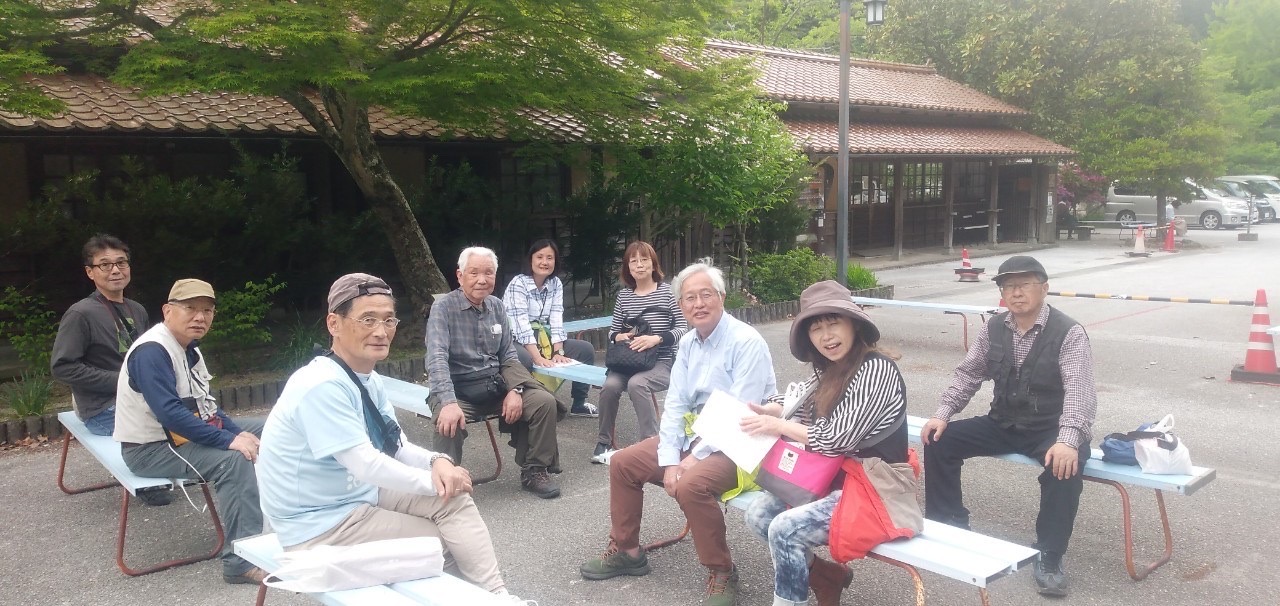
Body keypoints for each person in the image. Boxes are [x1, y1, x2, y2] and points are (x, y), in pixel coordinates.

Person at [258, 274, 532, 604]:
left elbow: (396, 445)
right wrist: (433, 481)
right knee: (438, 542)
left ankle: (497, 596)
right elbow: (365, 464)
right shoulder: (321, 385)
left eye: (388, 320)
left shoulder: (366, 378)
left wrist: (438, 461)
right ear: (334, 324)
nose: (381, 330)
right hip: (319, 525)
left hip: (356, 496)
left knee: (453, 499)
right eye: (368, 319)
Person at [580, 261, 777, 606]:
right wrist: (671, 459)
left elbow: (738, 414)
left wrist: (690, 460)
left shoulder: (746, 341)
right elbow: (675, 404)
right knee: (623, 462)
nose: (698, 304)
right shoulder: (687, 343)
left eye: (706, 295)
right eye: (689, 298)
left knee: (691, 484)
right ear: (681, 305)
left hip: (741, 441)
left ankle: (722, 570)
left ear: (722, 297)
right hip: (696, 435)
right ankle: (627, 551)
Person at [920, 255, 1097, 598]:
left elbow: (1080, 391)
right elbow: (969, 373)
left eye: (1024, 284)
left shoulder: (1069, 332)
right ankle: (949, 525)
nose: (1016, 293)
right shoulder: (994, 327)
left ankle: (1049, 555)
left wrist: (1068, 440)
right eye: (1008, 286)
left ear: (1044, 288)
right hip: (1003, 421)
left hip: (1050, 429)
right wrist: (943, 413)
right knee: (939, 440)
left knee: (1065, 468)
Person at [740, 280, 908, 606]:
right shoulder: (829, 368)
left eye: (834, 324)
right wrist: (773, 410)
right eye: (816, 329)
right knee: (758, 515)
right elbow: (799, 400)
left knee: (785, 529)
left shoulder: (876, 368)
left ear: (854, 324)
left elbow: (835, 439)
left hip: (878, 489)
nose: (826, 336)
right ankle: (827, 577)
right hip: (834, 479)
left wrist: (779, 425)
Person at [113, 278, 267, 584]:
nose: (200, 317)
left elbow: (206, 408)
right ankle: (241, 562)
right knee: (233, 461)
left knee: (272, 428)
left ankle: (294, 522)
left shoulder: (189, 348)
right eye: (190, 308)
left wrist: (235, 432)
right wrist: (230, 440)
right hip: (150, 450)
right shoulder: (152, 352)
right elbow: (171, 415)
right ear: (167, 311)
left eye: (207, 310)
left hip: (179, 439)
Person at [428, 247, 563, 499]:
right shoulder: (443, 308)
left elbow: (508, 355)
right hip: (458, 391)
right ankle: (447, 480)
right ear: (460, 276)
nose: (482, 279)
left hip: (494, 385)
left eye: (488, 273)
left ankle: (534, 470)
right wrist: (447, 402)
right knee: (446, 422)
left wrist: (516, 389)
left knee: (544, 402)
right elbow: (436, 358)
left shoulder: (497, 306)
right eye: (474, 273)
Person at [50, 234, 171, 506]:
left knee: (189, 411)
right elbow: (63, 367)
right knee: (167, 422)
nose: (115, 270)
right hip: (101, 408)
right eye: (105, 265)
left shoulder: (136, 309)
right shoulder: (80, 314)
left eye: (121, 263)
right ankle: (149, 476)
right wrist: (122, 381)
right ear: (90, 272)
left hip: (136, 399)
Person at [591, 241, 688, 463]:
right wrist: (619, 336)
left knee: (637, 384)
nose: (639, 265)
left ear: (653, 264)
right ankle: (604, 442)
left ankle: (651, 444)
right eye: (633, 261)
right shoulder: (624, 296)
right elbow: (613, 332)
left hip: (662, 361)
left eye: (644, 260)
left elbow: (683, 328)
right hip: (629, 360)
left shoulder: (668, 292)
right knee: (609, 387)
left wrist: (657, 339)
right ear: (628, 267)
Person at [501, 239, 598, 417]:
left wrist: (558, 352)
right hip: (515, 339)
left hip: (542, 338)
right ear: (530, 259)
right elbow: (521, 325)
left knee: (585, 350)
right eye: (539, 257)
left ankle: (579, 403)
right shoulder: (518, 283)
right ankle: (527, 403)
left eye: (549, 258)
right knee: (525, 359)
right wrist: (537, 357)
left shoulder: (555, 284)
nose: (544, 262)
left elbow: (556, 318)